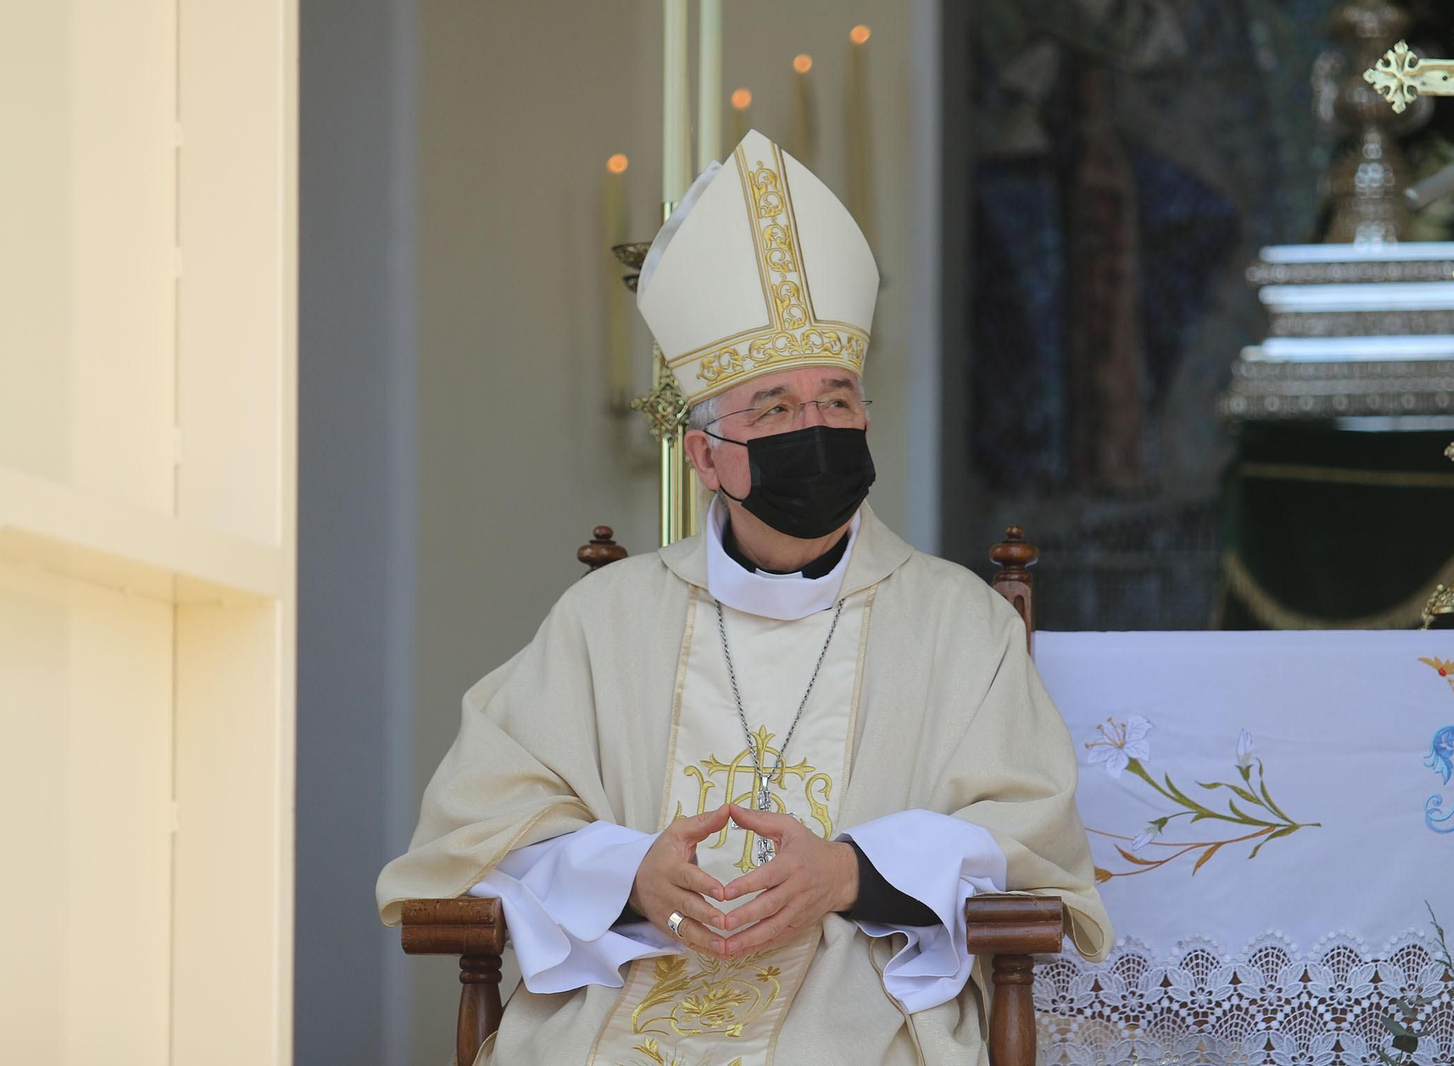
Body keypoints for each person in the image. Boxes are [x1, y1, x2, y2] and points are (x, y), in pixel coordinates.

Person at [376, 129, 1110, 1066]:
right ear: (704, 454)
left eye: (838, 400)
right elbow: (475, 826)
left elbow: (1031, 840)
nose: (817, 428)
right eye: (774, 409)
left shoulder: (957, 621)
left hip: (855, 1003)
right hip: (630, 994)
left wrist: (849, 873)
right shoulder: (609, 619)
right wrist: (631, 873)